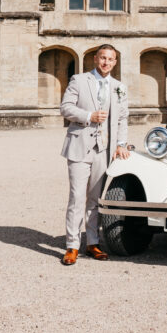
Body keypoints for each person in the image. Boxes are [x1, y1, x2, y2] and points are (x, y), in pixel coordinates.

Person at [57, 44, 130, 266]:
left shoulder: (119, 87)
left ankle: (93, 242)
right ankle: (72, 245)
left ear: (115, 62)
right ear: (95, 59)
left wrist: (121, 144)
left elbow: (122, 118)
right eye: (103, 58)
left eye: (110, 59)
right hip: (80, 146)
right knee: (77, 197)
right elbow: (65, 108)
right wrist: (89, 116)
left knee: (96, 199)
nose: (106, 62)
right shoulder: (79, 80)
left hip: (104, 150)